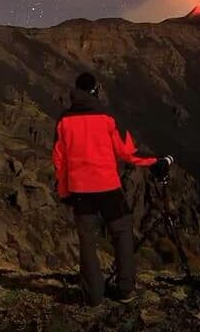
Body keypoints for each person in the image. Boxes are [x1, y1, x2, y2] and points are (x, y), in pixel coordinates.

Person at [52, 72, 169, 306]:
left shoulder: (64, 121)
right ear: (95, 91)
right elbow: (127, 153)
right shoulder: (106, 118)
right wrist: (156, 161)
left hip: (80, 189)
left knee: (87, 240)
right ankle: (125, 289)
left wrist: (65, 192)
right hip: (107, 186)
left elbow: (59, 161)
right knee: (122, 232)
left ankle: (93, 295)